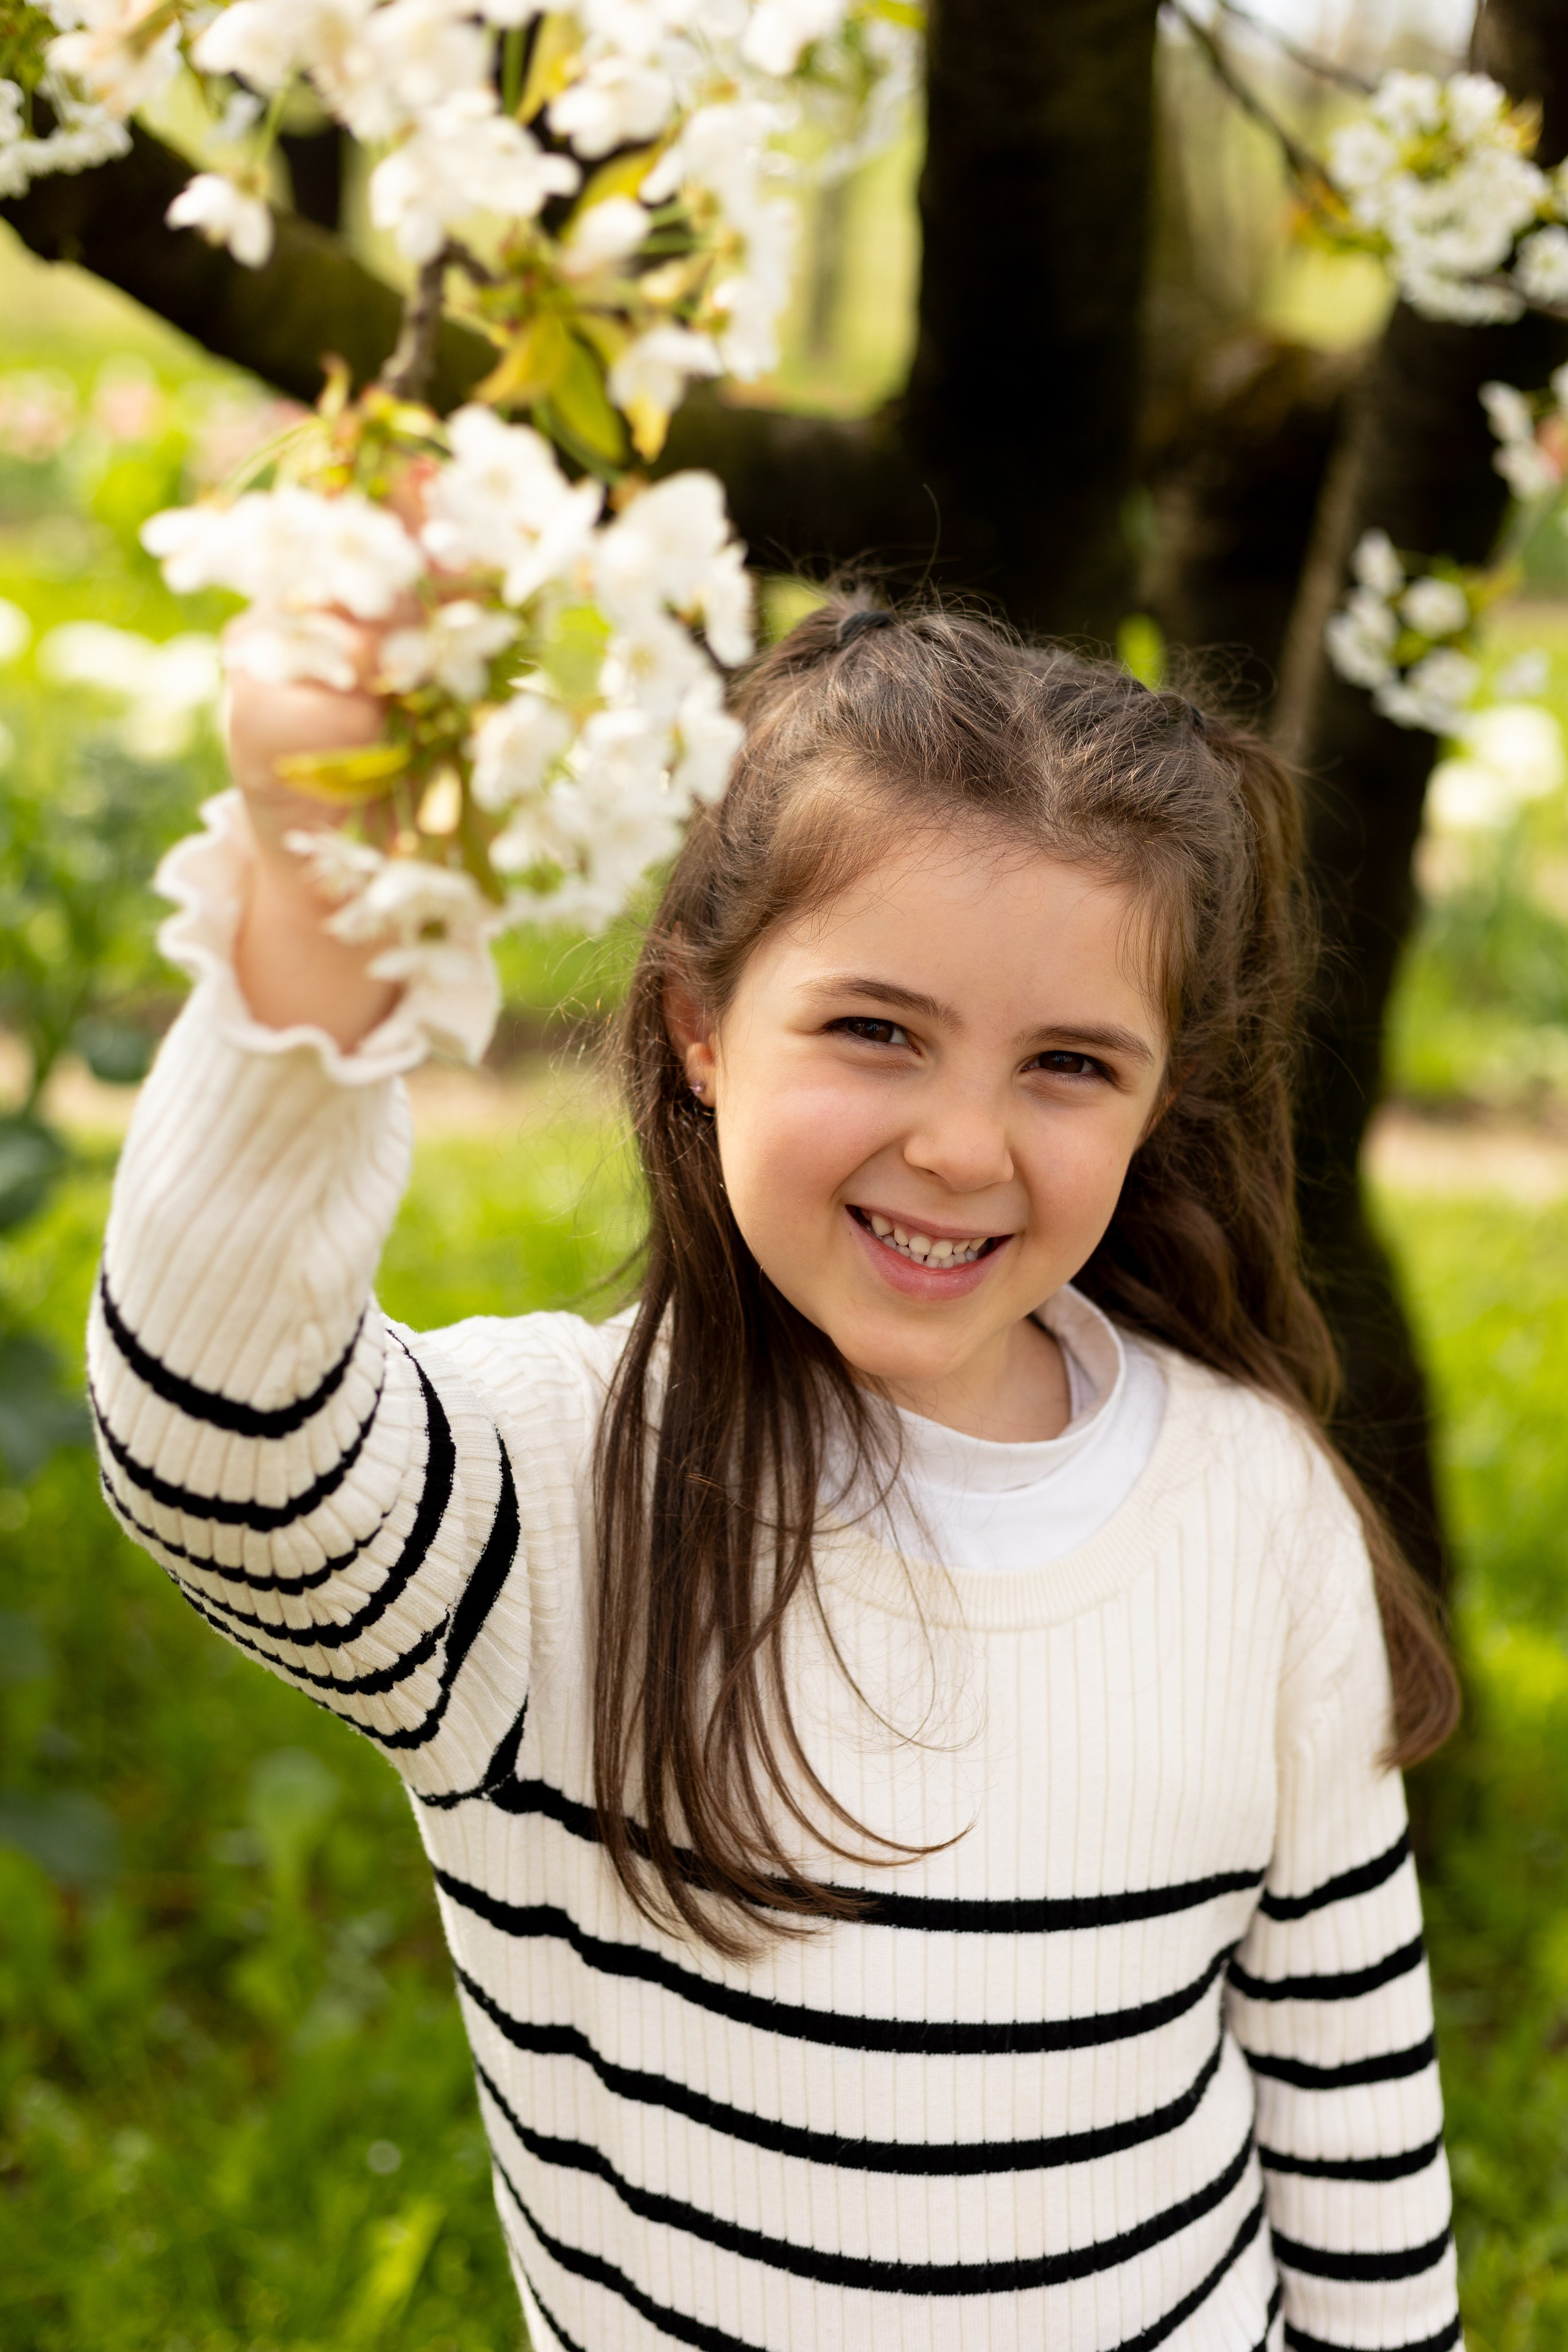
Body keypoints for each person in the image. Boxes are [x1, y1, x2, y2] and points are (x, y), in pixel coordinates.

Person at [89, 597, 1463, 2352]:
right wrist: (311, 918)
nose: (961, 1144)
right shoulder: (557, 1494)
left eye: (1067, 1066)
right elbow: (216, 1445)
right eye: (876, 1031)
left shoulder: (1252, 1500)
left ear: (1156, 1100)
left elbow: (1348, 2093)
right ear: (701, 1028)